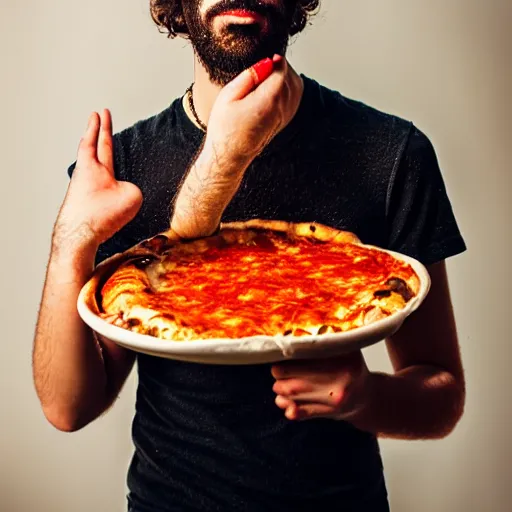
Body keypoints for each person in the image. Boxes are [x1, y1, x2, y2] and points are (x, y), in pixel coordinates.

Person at [32, 0, 467, 510]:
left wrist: (368, 398)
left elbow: (441, 393)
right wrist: (71, 242)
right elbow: (67, 407)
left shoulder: (391, 153)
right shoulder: (123, 167)